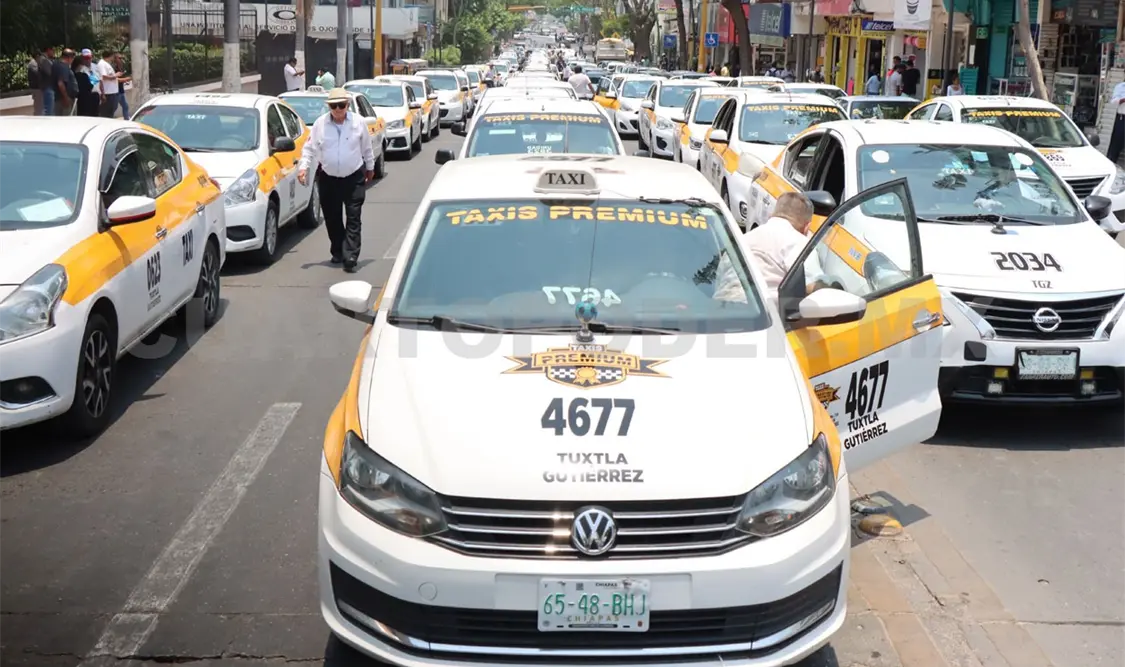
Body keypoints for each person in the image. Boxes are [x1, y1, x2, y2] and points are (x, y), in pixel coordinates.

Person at [296, 88, 376, 273]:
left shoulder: (358, 123)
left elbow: (366, 148)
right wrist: (303, 168)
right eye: (334, 106)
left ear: (348, 105)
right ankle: (338, 251)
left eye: (342, 105)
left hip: (353, 176)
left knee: (353, 217)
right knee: (332, 218)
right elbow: (309, 149)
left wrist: (370, 167)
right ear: (329, 107)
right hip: (328, 178)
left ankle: (351, 256)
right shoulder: (319, 125)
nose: (338, 109)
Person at [743, 192, 817, 293]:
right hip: (764, 307)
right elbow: (812, 288)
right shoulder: (800, 243)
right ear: (806, 228)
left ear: (771, 215)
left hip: (720, 304)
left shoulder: (743, 239)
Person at [73, 49, 102, 117]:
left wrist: (102, 93)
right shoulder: (81, 71)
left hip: (96, 94)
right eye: (85, 58)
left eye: (89, 58)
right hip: (86, 97)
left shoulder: (95, 66)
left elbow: (99, 80)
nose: (87, 60)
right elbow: (88, 85)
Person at [52, 49, 79, 116]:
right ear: (69, 58)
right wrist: (66, 98)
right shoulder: (63, 66)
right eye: (73, 58)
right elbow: (60, 83)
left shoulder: (56, 64)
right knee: (68, 120)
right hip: (65, 99)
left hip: (60, 98)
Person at [96, 49, 121, 117]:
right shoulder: (102, 64)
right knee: (106, 113)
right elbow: (103, 76)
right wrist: (115, 76)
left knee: (111, 112)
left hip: (112, 92)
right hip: (108, 93)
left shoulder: (106, 64)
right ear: (110, 56)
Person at [1107, 79, 1125, 163]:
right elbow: (1113, 102)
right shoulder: (1120, 87)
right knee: (1117, 143)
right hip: (1122, 117)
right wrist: (1123, 100)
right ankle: (1112, 162)